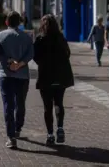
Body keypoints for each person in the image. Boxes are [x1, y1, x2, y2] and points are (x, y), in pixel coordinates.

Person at [0, 11, 34, 149]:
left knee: (8, 106)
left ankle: (11, 137)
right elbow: (31, 54)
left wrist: (8, 61)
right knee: (20, 104)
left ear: (6, 22)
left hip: (6, 75)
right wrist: (20, 64)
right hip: (22, 76)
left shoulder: (0, 35)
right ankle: (18, 128)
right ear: (20, 22)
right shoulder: (26, 37)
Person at [33, 14, 74, 145]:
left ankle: (50, 134)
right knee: (59, 103)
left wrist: (43, 63)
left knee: (47, 107)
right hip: (60, 76)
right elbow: (68, 53)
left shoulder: (40, 39)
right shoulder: (60, 38)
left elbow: (35, 57)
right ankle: (60, 128)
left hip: (46, 76)